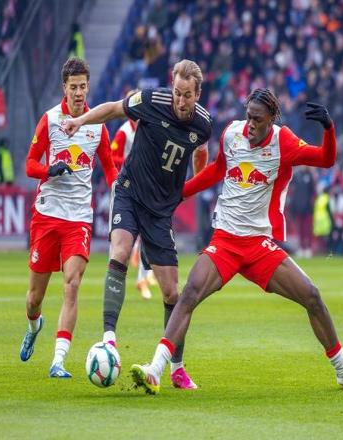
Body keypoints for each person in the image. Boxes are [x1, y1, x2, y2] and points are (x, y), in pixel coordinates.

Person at [130, 89, 343, 394]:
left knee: (312, 296)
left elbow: (326, 159)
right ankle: (155, 369)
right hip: (225, 240)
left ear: (271, 119)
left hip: (259, 245)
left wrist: (328, 129)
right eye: (248, 116)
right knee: (190, 292)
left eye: (257, 120)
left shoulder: (284, 142)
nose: (250, 124)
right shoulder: (232, 134)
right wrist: (180, 194)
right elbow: (216, 171)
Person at [62, 59, 212, 389]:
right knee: (119, 251)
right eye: (177, 92)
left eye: (187, 95)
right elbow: (113, 109)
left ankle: (177, 368)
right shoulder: (151, 100)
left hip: (160, 211)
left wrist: (193, 183)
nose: (180, 100)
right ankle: (109, 339)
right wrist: (80, 120)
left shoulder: (203, 124)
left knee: (172, 291)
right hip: (130, 192)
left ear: (198, 94)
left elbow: (201, 153)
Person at [19, 57, 118, 378]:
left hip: (78, 219)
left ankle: (58, 361)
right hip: (47, 215)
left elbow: (109, 167)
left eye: (83, 87)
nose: (78, 92)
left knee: (72, 284)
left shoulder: (97, 125)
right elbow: (29, 164)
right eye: (73, 87)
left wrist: (120, 190)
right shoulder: (50, 120)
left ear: (88, 87)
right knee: (34, 299)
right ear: (64, 87)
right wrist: (49, 170)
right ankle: (34, 326)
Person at [110, 102, 158, 300]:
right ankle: (117, 279)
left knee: (147, 233)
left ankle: (143, 277)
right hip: (125, 187)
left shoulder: (147, 129)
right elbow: (112, 156)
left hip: (144, 186)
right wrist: (131, 164)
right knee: (120, 237)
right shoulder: (124, 132)